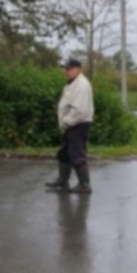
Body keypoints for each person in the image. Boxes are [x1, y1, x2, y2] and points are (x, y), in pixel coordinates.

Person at [45, 58, 94, 194]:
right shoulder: (72, 83)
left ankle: (85, 185)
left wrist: (66, 121)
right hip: (71, 124)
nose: (67, 71)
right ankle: (63, 179)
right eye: (66, 69)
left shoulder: (82, 85)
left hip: (77, 124)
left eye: (70, 69)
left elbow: (80, 110)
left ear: (78, 69)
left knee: (77, 154)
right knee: (64, 153)